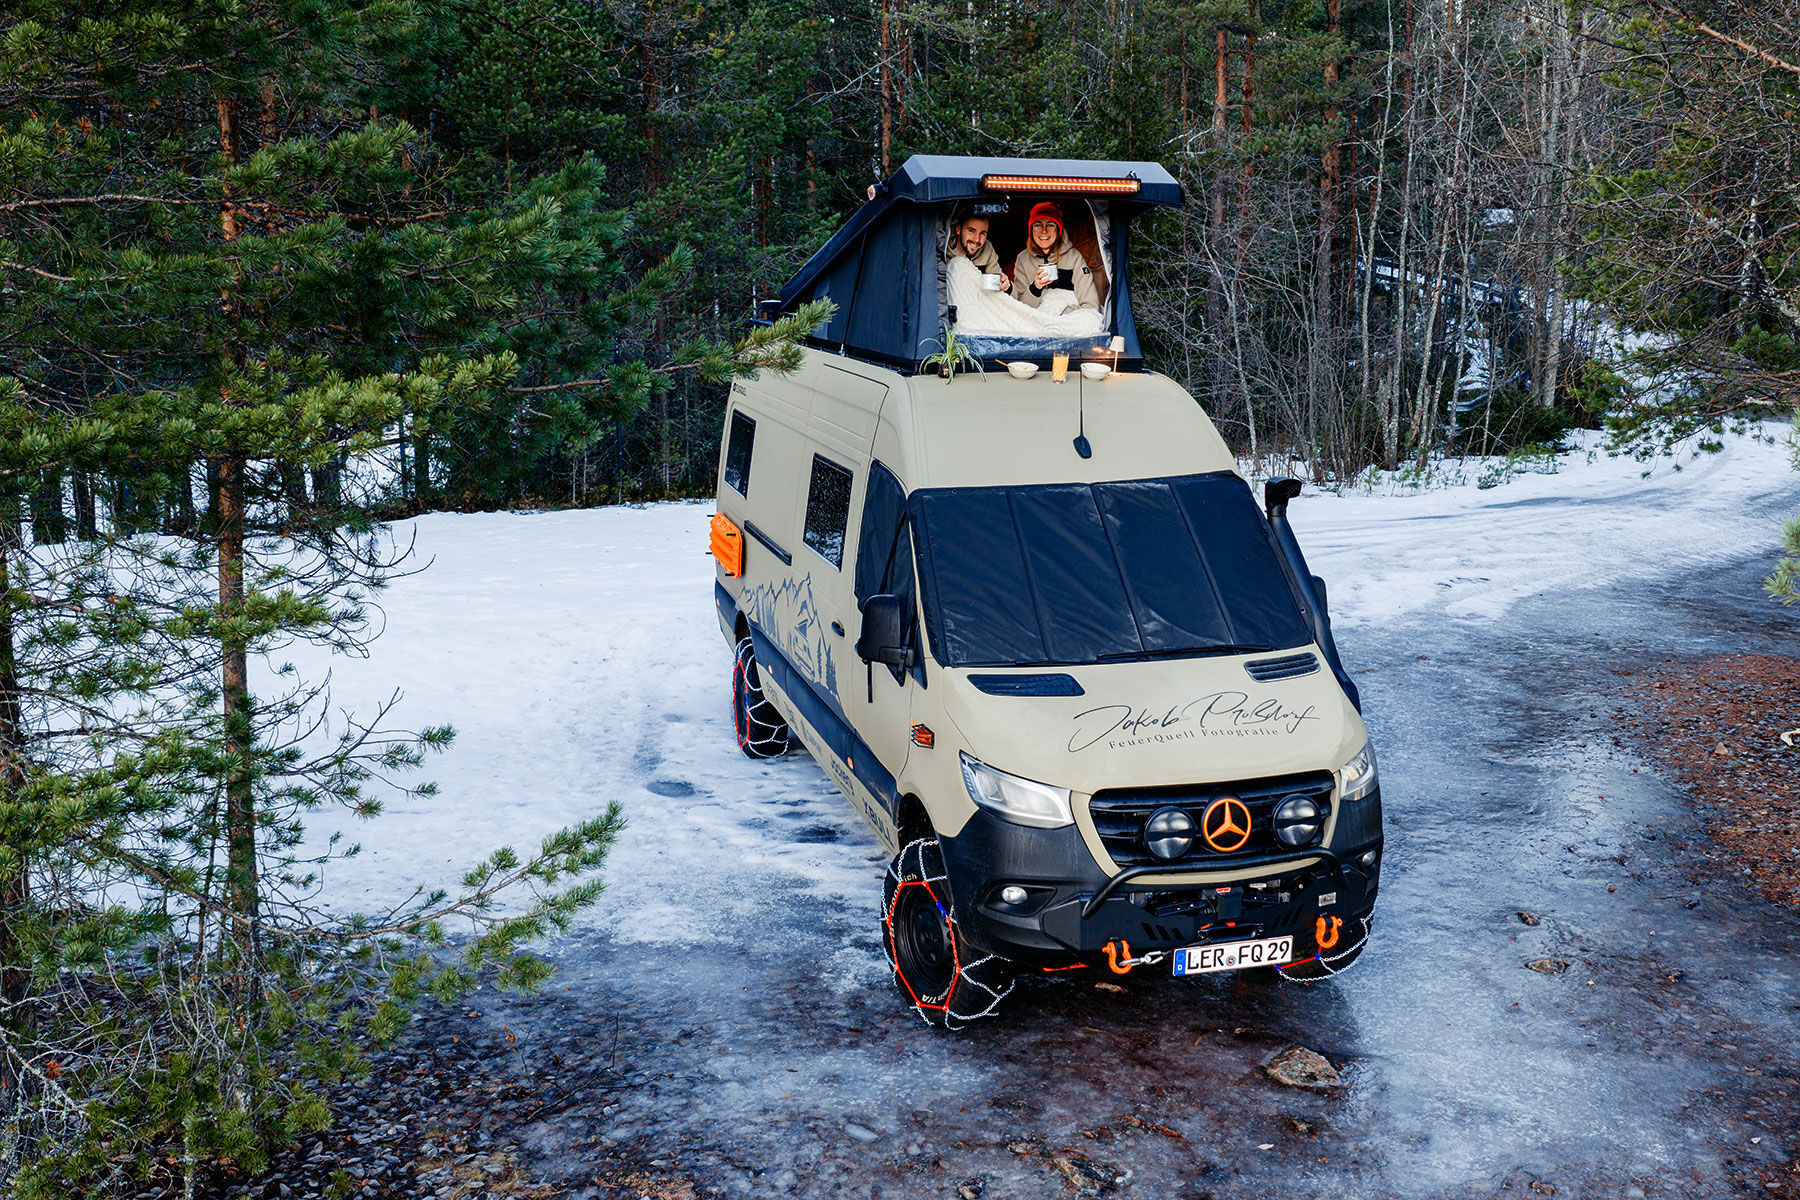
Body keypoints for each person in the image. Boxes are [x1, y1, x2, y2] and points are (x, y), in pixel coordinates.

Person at [1010, 201, 1099, 312]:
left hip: (1067, 322)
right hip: (1035, 324)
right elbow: (1019, 309)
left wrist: (1061, 315)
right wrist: (1035, 287)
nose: (1044, 230)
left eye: (1050, 224)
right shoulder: (1023, 259)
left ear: (1058, 229)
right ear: (1031, 230)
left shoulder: (1074, 258)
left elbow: (1091, 305)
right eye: (1037, 224)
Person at [946, 211, 1006, 282]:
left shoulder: (987, 249)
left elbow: (996, 285)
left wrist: (1006, 284)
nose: (977, 239)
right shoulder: (942, 249)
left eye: (982, 233)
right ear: (958, 229)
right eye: (971, 231)